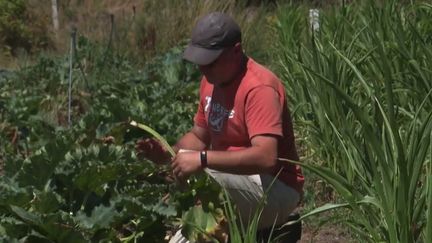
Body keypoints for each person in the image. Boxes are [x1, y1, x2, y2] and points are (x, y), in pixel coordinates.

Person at [136, 11, 304, 242]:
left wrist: (202, 160)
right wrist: (168, 153)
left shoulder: (259, 88)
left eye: (211, 62)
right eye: (200, 63)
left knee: (202, 174)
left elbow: (266, 158)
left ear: (236, 51)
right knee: (190, 170)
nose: (203, 70)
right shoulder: (211, 81)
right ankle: (240, 233)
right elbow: (199, 136)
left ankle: (264, 226)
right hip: (235, 183)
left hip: (276, 188)